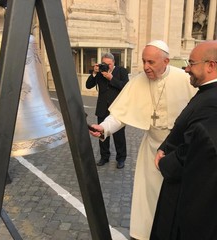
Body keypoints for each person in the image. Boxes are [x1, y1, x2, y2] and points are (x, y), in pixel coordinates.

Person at [89, 40, 196, 240]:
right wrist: (104, 127)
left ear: (166, 61)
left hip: (181, 150)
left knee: (179, 196)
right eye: (143, 61)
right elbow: (120, 114)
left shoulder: (184, 79)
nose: (146, 66)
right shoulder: (138, 81)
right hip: (152, 149)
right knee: (149, 197)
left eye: (151, 62)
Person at [151, 40, 217, 240]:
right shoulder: (207, 93)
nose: (187, 68)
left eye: (191, 63)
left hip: (189, 193)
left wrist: (165, 163)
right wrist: (164, 146)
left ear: (211, 65)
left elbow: (197, 147)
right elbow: (184, 126)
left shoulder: (212, 102)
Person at [86, 52, 129, 169]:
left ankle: (121, 158)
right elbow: (88, 85)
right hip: (102, 108)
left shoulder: (121, 71)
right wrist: (94, 72)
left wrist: (111, 78)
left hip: (117, 109)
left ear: (113, 63)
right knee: (102, 134)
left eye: (109, 64)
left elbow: (126, 87)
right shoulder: (99, 72)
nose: (107, 66)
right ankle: (104, 157)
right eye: (104, 64)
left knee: (119, 136)